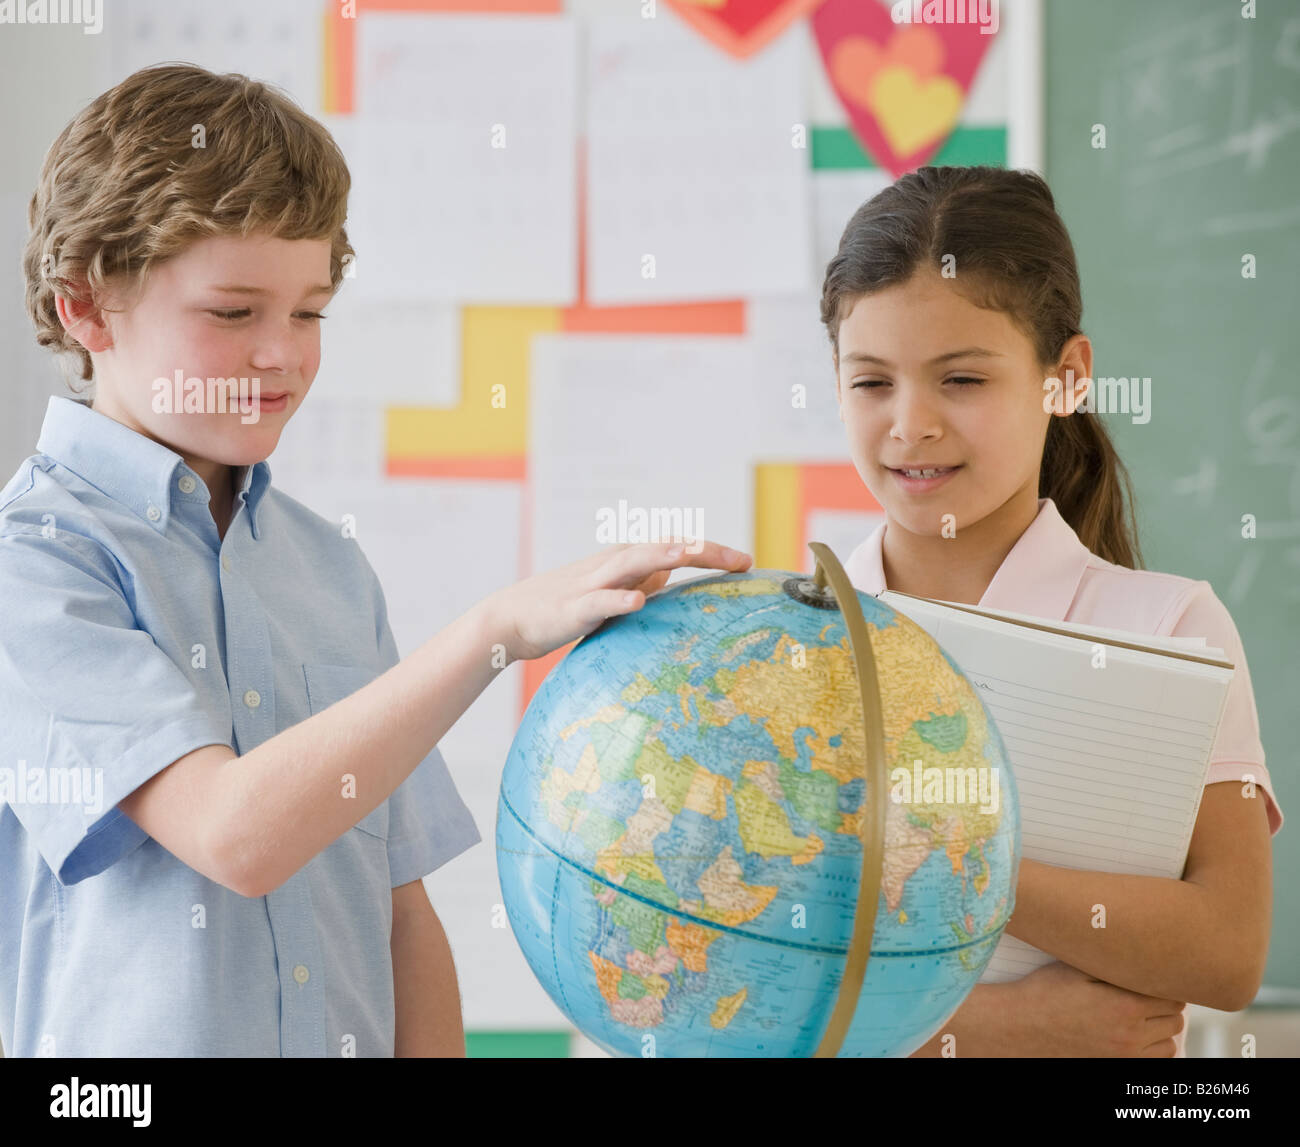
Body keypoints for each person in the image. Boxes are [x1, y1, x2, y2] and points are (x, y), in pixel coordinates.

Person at [0, 63, 751, 1058]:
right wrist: (493, 634)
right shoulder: (37, 565)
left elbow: (400, 915)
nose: (283, 354)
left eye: (309, 312)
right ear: (88, 306)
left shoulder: (328, 569)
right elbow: (236, 835)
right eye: (234, 313)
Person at [824, 165, 1282, 1058]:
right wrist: (1003, 1030)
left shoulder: (1172, 630)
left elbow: (1228, 951)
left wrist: (946, 861)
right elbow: (730, 998)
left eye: (960, 379)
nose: (909, 424)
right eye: (871, 382)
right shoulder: (785, 645)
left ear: (1066, 377)